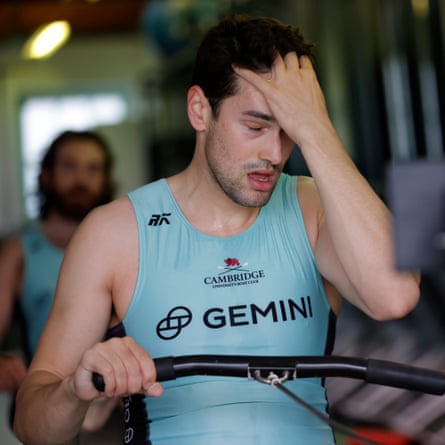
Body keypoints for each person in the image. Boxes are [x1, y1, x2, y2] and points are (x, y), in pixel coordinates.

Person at [14, 15, 420, 445]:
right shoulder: (114, 234)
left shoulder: (313, 208)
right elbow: (32, 427)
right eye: (256, 126)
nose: (274, 152)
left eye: (290, 131)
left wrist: (316, 129)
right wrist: (75, 389)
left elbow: (395, 297)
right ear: (199, 110)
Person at [0, 129, 117, 432]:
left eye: (93, 168)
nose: (81, 178)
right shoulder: (19, 252)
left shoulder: (124, 245)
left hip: (118, 401)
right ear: (46, 176)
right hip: (50, 406)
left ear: (106, 179)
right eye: (69, 166)